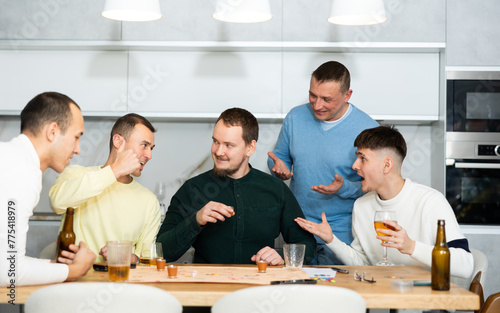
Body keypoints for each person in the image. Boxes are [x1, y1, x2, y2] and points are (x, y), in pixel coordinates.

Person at [295, 125, 474, 279]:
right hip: (382, 299)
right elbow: (363, 263)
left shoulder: (430, 201)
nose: (354, 166)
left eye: (362, 158)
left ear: (387, 165)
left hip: (424, 304)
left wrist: (411, 247)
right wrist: (331, 240)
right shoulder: (362, 206)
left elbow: (466, 266)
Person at [157, 108, 316, 265]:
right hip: (209, 285)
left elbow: (307, 246)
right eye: (215, 142)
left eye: (229, 145)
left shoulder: (276, 190)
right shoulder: (193, 189)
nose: (219, 151)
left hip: (259, 286)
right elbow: (162, 250)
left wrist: (282, 255)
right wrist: (196, 220)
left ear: (250, 148)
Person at [268, 61, 379, 264]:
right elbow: (279, 156)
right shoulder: (295, 117)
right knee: (297, 290)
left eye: (327, 99)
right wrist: (278, 168)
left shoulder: (369, 129)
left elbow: (377, 187)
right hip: (297, 227)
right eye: (313, 95)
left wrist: (343, 187)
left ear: (347, 95)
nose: (317, 105)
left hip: (343, 233)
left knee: (337, 291)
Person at [0, 92, 96, 287]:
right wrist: (74, 270)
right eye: (76, 137)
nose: (77, 149)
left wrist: (57, 266)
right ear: (52, 131)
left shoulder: (15, 160)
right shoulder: (20, 172)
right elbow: (8, 271)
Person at [49, 113, 161, 263]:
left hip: (122, 283)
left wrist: (131, 257)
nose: (149, 155)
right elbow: (57, 203)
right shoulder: (75, 174)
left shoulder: (149, 201)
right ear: (118, 141)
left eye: (151, 148)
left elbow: (149, 259)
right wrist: (115, 171)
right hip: (76, 280)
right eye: (144, 146)